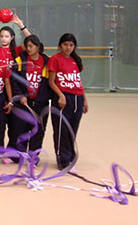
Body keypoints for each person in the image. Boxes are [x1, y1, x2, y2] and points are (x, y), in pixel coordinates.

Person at [48, 33, 88, 171]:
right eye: (65, 44)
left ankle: (70, 157)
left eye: (71, 45)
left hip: (77, 98)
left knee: (72, 129)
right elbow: (51, 82)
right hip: (63, 98)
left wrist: (85, 100)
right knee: (61, 130)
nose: (68, 47)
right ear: (60, 45)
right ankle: (63, 160)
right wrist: (60, 95)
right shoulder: (55, 59)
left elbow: (78, 82)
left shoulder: (75, 60)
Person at [9, 35, 50, 162]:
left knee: (38, 130)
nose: (28, 48)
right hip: (23, 103)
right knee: (20, 129)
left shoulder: (47, 62)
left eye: (31, 46)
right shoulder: (20, 61)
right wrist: (21, 95)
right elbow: (14, 80)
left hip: (40, 103)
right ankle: (18, 156)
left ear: (38, 46)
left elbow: (50, 82)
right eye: (26, 46)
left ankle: (33, 156)